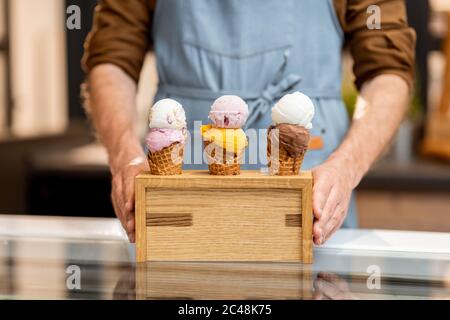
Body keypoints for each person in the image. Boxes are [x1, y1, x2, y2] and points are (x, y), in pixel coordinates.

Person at [82, 0, 416, 245]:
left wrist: (347, 167)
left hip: (312, 194)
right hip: (179, 200)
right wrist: (126, 156)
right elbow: (112, 57)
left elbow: (387, 70)